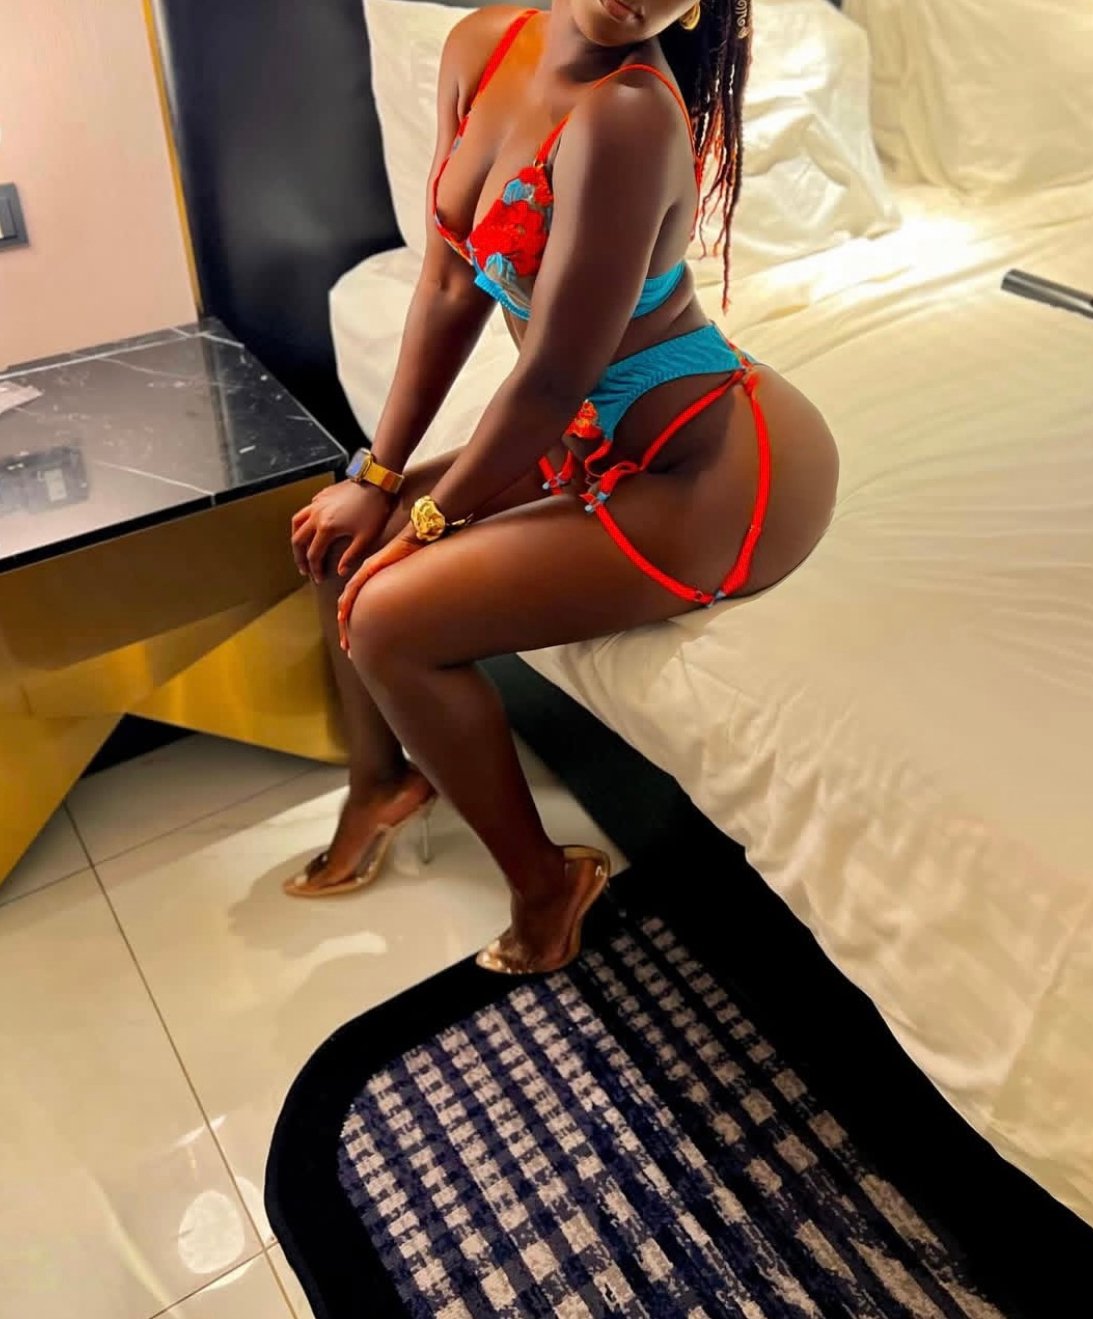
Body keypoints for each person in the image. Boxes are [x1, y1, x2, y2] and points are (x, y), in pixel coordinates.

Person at [285, 0, 839, 974]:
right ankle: (381, 784)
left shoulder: (629, 115)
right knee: (344, 542)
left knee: (385, 618)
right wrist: (379, 474)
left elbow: (549, 378)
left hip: (713, 472)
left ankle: (547, 885)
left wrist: (425, 521)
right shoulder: (482, 45)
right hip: (586, 431)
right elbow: (448, 284)